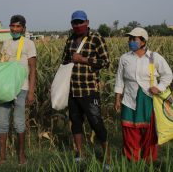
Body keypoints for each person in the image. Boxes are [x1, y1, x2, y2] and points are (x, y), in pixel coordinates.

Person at [114, 27, 172, 162]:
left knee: (149, 133)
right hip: (129, 99)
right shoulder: (125, 58)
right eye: (130, 39)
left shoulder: (154, 57)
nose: (130, 42)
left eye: (134, 39)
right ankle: (132, 161)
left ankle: (148, 161)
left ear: (143, 42)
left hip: (148, 99)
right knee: (129, 131)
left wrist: (159, 87)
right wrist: (117, 99)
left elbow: (168, 75)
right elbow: (119, 79)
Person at [62, 10, 110, 163]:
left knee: (96, 123)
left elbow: (105, 62)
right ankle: (80, 154)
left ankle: (107, 157)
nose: (77, 25)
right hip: (72, 90)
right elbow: (64, 62)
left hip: (89, 90)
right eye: (74, 23)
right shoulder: (69, 41)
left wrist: (82, 59)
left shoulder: (96, 38)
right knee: (75, 123)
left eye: (80, 22)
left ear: (87, 22)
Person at [0, 15, 37, 166]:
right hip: (6, 89)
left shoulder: (29, 44)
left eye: (18, 26)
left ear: (24, 28)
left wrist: (31, 91)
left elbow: (33, 69)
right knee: (3, 123)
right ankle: (2, 157)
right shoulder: (6, 43)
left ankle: (21, 156)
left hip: (21, 88)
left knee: (19, 123)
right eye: (12, 26)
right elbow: (3, 65)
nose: (15, 29)